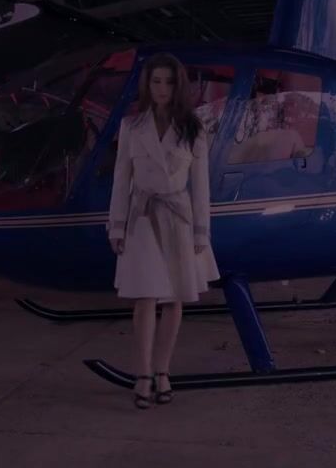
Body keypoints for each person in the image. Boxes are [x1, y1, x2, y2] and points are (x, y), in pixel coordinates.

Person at [107, 53, 220, 409]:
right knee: (144, 296)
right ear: (147, 84)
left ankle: (163, 371)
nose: (162, 89)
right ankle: (142, 374)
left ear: (178, 86)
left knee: (174, 298)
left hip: (180, 218)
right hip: (141, 217)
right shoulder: (131, 126)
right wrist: (117, 225)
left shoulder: (193, 127)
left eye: (169, 82)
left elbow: (201, 185)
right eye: (156, 81)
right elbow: (121, 179)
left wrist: (201, 232)